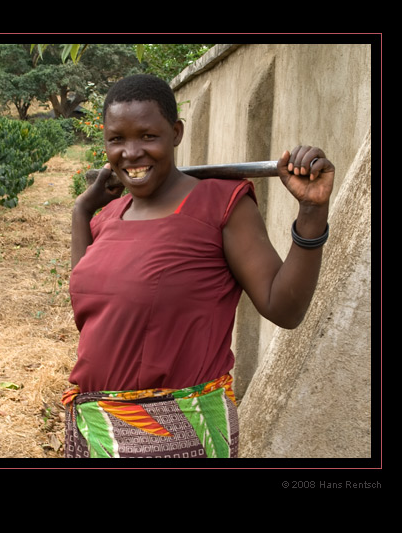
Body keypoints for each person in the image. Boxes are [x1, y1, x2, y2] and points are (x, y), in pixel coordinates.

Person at [63, 74, 334, 458]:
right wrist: (81, 210)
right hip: (95, 432)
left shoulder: (220, 205)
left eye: (147, 136)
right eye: (116, 139)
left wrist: (312, 213)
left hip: (182, 437)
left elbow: (284, 308)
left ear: (176, 133)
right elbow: (87, 308)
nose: (131, 152)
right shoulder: (109, 215)